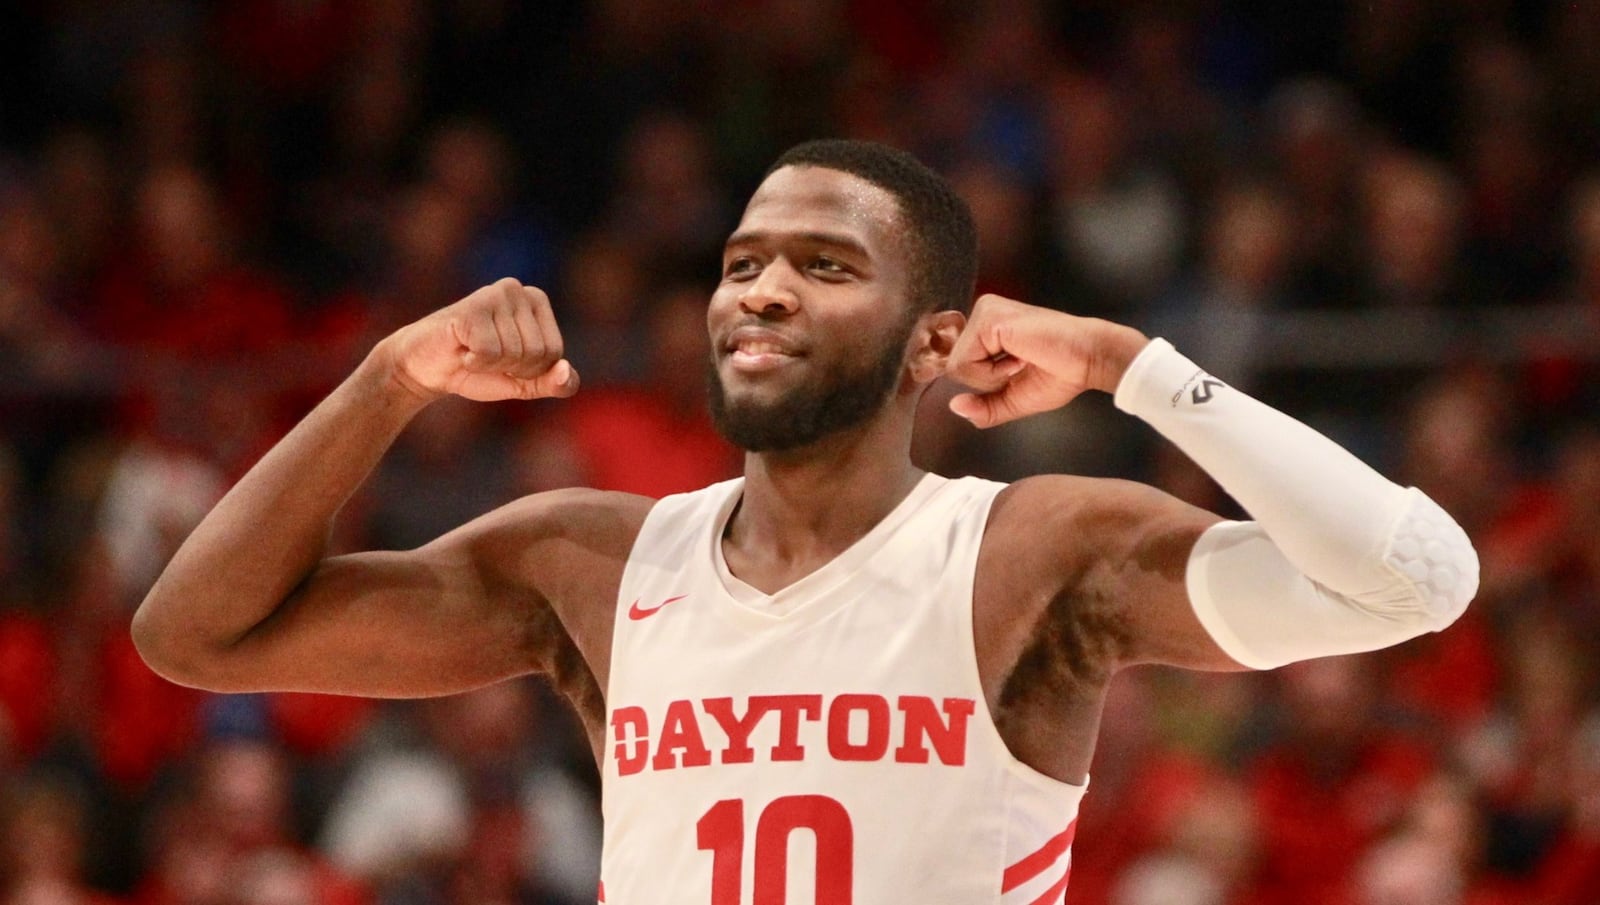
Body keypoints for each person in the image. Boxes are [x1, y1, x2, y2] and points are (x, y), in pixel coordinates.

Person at [133, 140, 1479, 905]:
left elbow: (1415, 575)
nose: (762, 291)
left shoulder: (1025, 552)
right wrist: (389, 380)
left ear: (931, 341)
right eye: (742, 263)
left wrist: (1135, 365)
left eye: (825, 267)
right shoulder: (592, 561)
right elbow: (192, 631)